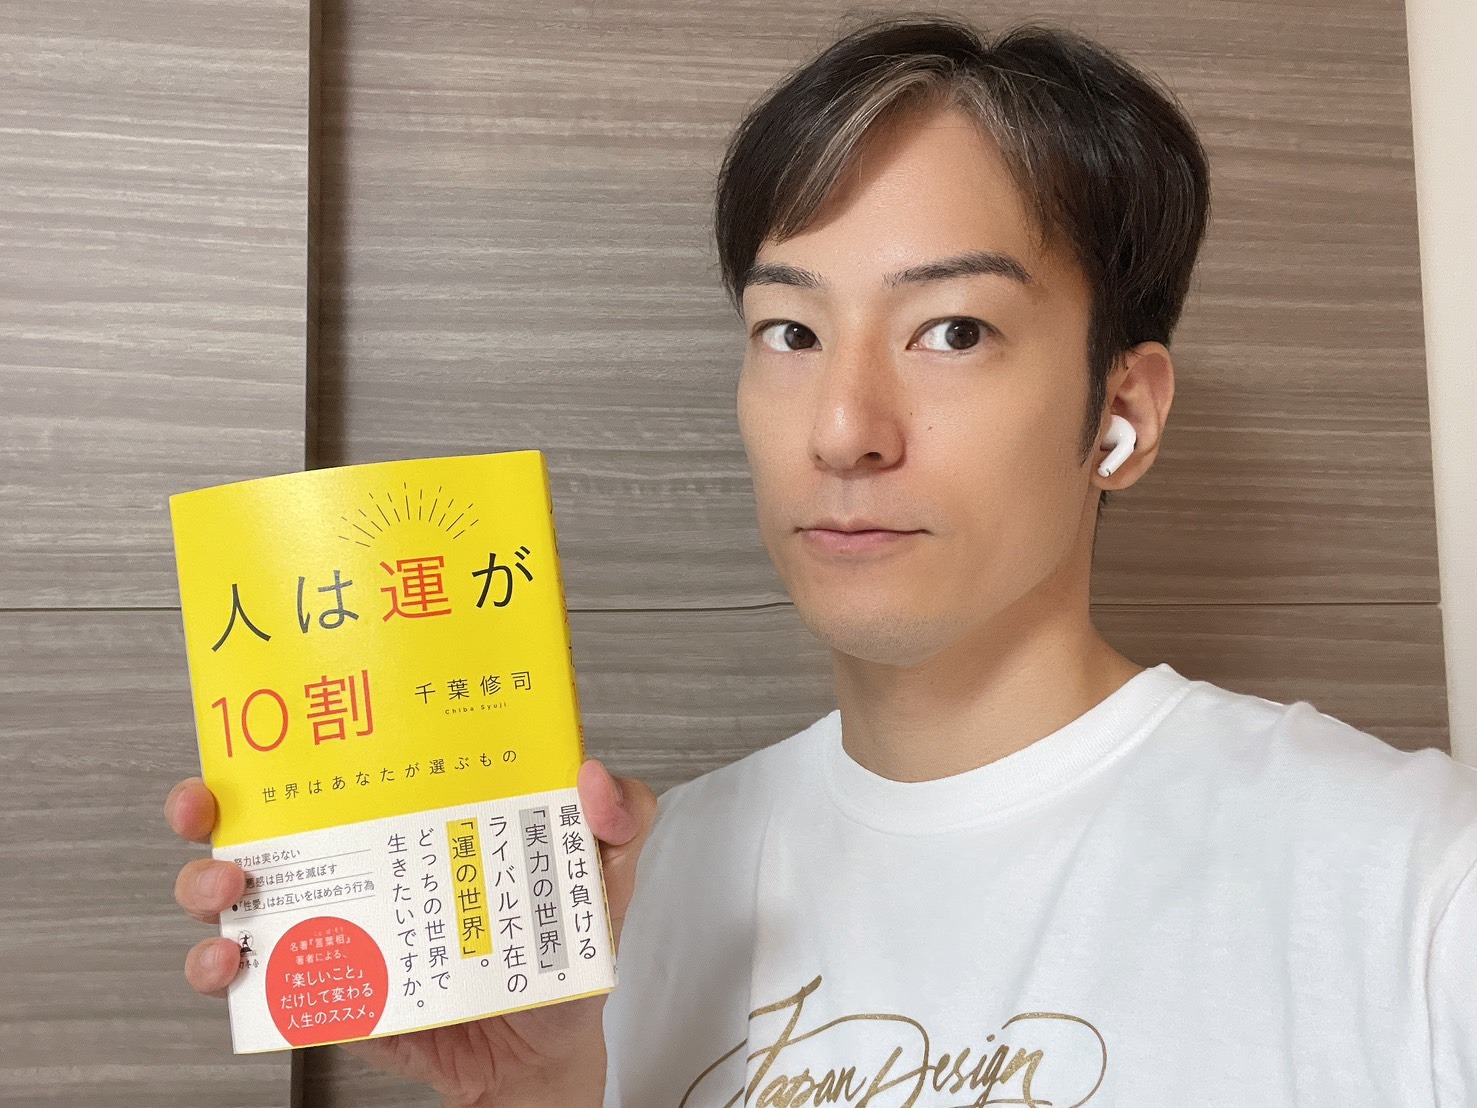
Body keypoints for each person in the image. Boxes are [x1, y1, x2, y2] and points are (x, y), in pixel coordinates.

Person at [165, 14, 1477, 1107]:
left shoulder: (1410, 881)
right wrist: (539, 1094)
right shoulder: (615, 902)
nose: (843, 429)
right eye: (789, 332)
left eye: (951, 331)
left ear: (1119, 413)